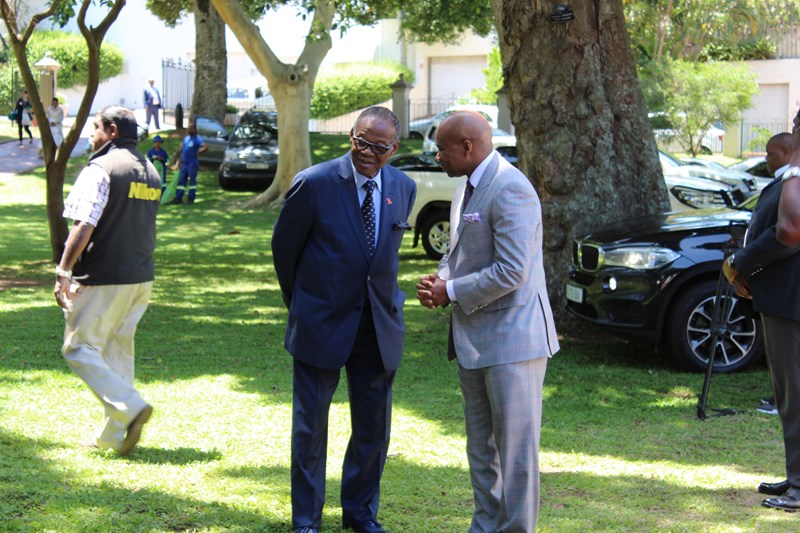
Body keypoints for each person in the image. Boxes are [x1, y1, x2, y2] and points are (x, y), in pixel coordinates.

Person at [271, 106, 416, 533]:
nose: (366, 152)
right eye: (359, 141)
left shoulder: (403, 187)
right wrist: (303, 303)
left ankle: (360, 513)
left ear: (394, 148)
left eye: (377, 147)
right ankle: (306, 521)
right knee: (310, 429)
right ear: (351, 136)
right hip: (321, 324)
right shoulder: (314, 183)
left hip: (378, 327)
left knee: (373, 429)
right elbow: (284, 251)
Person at [415, 111, 559, 532]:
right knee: (481, 451)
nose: (437, 156)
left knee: (516, 456)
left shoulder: (512, 188)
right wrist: (440, 279)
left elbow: (512, 271)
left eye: (442, 149)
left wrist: (452, 292)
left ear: (467, 147)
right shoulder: (465, 187)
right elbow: (457, 250)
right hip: (474, 341)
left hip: (515, 341)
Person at [53, 106, 160, 456]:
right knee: (117, 353)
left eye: (95, 127)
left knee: (78, 348)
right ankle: (113, 437)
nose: (90, 134)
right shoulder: (150, 171)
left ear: (112, 131)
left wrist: (64, 271)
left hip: (104, 277)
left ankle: (131, 407)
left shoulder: (101, 168)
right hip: (139, 277)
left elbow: (84, 224)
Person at [722, 131, 800, 511]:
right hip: (783, 299)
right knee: (789, 396)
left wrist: (740, 263)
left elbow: (789, 235)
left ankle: (799, 485)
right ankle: (796, 474)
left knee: (794, 395)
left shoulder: (797, 178)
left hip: (791, 301)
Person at [169, 122, 206, 204]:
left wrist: (198, 152)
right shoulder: (186, 138)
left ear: (194, 130)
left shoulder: (197, 138)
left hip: (192, 163)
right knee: (181, 180)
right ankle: (178, 197)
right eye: (188, 128)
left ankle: (191, 198)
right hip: (184, 163)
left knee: (192, 181)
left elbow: (205, 147)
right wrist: (178, 161)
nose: (189, 130)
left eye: (191, 129)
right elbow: (181, 149)